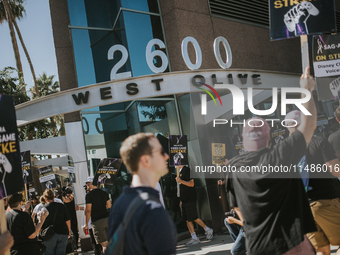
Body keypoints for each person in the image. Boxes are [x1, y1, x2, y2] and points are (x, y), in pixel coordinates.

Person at [228, 67, 317, 255]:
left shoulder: (234, 167)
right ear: (268, 138)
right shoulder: (279, 155)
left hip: (257, 248)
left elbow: (236, 206)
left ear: (243, 139)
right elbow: (308, 125)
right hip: (290, 246)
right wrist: (307, 91)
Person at [107, 133, 177, 255]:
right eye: (160, 152)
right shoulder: (152, 210)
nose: (166, 156)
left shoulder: (119, 204)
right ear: (145, 160)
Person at [285, 110, 340, 255]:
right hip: (325, 202)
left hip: (301, 209)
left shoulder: (283, 150)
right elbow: (336, 170)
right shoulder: (318, 142)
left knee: (321, 249)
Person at [176, 165, 213, 246]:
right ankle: (194, 237)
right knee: (187, 219)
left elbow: (191, 184)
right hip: (184, 199)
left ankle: (207, 229)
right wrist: (181, 200)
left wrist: (181, 181)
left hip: (190, 198)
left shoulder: (187, 170)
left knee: (193, 217)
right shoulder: (179, 172)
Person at [83, 176, 111, 253]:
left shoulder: (89, 195)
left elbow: (88, 210)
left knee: (104, 245)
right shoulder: (104, 193)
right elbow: (109, 205)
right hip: (107, 219)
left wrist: (86, 224)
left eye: (88, 183)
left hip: (97, 221)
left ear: (92, 183)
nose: (87, 185)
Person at [42, 189, 71, 255]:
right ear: (54, 197)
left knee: (49, 252)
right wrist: (69, 231)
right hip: (63, 232)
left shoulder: (43, 209)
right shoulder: (61, 206)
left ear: (45, 198)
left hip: (49, 234)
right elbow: (67, 219)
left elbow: (41, 223)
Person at [62, 186, 79, 250]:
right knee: (74, 231)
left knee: (71, 231)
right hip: (73, 216)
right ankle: (75, 244)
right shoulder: (73, 197)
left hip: (69, 216)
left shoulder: (68, 198)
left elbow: (66, 201)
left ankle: (74, 245)